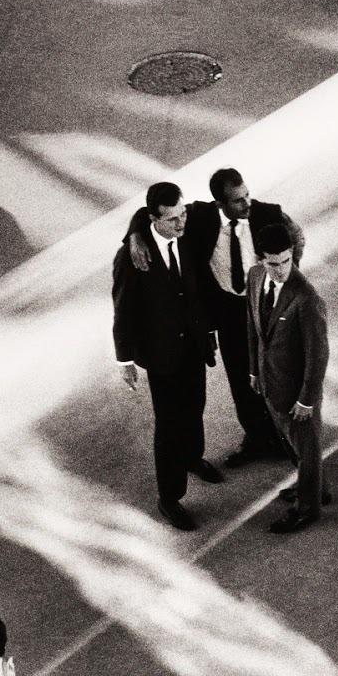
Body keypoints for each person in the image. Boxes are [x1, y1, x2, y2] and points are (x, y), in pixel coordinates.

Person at [125, 168, 305, 468]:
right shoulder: (200, 216)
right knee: (241, 379)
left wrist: (288, 273)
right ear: (220, 203)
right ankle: (257, 439)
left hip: (265, 306)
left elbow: (296, 237)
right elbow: (148, 212)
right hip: (229, 312)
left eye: (247, 194)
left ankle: (292, 441)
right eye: (237, 200)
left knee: (277, 373)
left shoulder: (268, 214)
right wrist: (135, 235)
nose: (247, 203)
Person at [113, 181, 219, 530]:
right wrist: (124, 359)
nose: (181, 223)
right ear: (153, 219)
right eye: (172, 219)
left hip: (192, 346)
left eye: (182, 214)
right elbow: (123, 310)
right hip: (162, 356)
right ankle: (169, 498)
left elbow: (211, 206)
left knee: (197, 404)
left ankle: (193, 458)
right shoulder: (132, 257)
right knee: (169, 425)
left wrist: (134, 230)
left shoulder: (186, 230)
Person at [247, 220, 330, 533]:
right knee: (297, 447)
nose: (281, 270)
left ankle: (307, 508)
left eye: (286, 261)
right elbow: (253, 328)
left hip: (298, 394)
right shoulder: (255, 278)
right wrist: (254, 370)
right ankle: (316, 487)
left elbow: (318, 355)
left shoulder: (306, 299)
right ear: (260, 260)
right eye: (273, 263)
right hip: (271, 384)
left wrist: (307, 400)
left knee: (306, 450)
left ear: (292, 255)